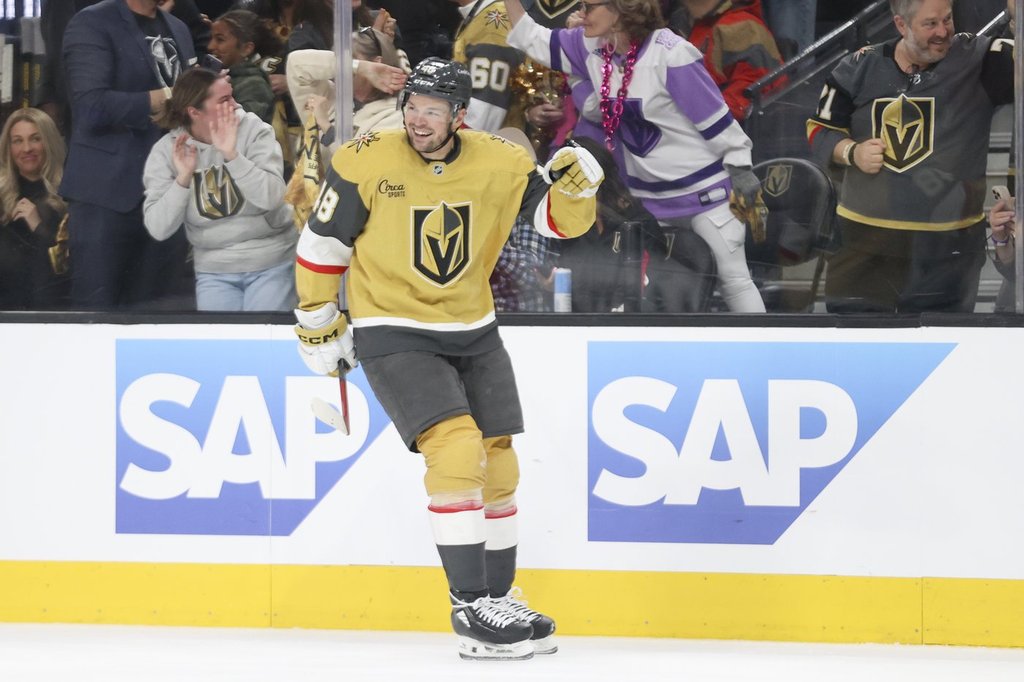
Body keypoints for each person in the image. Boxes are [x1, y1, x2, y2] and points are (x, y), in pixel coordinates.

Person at [292, 57, 603, 660]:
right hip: (392, 326)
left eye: (432, 110)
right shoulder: (366, 158)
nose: (417, 119)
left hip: (473, 327)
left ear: (460, 116)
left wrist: (579, 190)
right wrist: (315, 316)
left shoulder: (503, 161)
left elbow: (557, 224)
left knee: (499, 459)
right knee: (456, 448)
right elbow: (323, 242)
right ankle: (469, 607)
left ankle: (499, 595)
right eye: (411, 106)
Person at [504, 0, 767, 312]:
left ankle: (762, 357)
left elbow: (716, 118)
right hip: (646, 200)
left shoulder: (672, 53)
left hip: (703, 193)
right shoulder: (589, 45)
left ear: (620, 10)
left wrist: (740, 166)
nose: (581, 13)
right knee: (648, 289)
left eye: (590, 5)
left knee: (733, 279)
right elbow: (529, 36)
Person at [806, 0, 1014, 313]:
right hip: (863, 248)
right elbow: (818, 130)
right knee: (858, 349)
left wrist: (1016, 17)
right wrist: (852, 151)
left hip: (948, 252)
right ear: (901, 25)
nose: (943, 31)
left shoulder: (979, 58)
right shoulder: (858, 66)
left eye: (947, 19)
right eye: (930, 24)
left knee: (946, 350)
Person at [61, 0, 198, 309]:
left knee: (160, 315)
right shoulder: (92, 23)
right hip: (107, 196)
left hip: (167, 197)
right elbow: (91, 108)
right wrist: (168, 96)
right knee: (97, 316)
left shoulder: (178, 28)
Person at [143, 69, 298, 311]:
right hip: (213, 270)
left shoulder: (254, 130)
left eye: (232, 96)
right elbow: (158, 228)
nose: (236, 105)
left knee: (260, 343)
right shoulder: (167, 151)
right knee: (225, 347)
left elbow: (272, 197)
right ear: (194, 112)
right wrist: (182, 179)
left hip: (271, 261)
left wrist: (232, 155)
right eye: (224, 100)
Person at [668, 0, 785, 123]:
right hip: (700, 129)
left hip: (735, 133)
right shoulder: (687, 23)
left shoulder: (743, 26)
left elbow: (746, 99)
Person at [0, 109, 70, 310]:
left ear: (48, 143)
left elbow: (67, 269)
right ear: (9, 148)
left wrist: (39, 226)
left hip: (47, 314)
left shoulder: (68, 197)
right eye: (18, 141)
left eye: (35, 139)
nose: (27, 148)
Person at [207, 9, 282, 123]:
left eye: (220, 39)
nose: (210, 46)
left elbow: (242, 129)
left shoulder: (255, 85)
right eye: (211, 38)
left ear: (246, 48)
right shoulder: (217, 76)